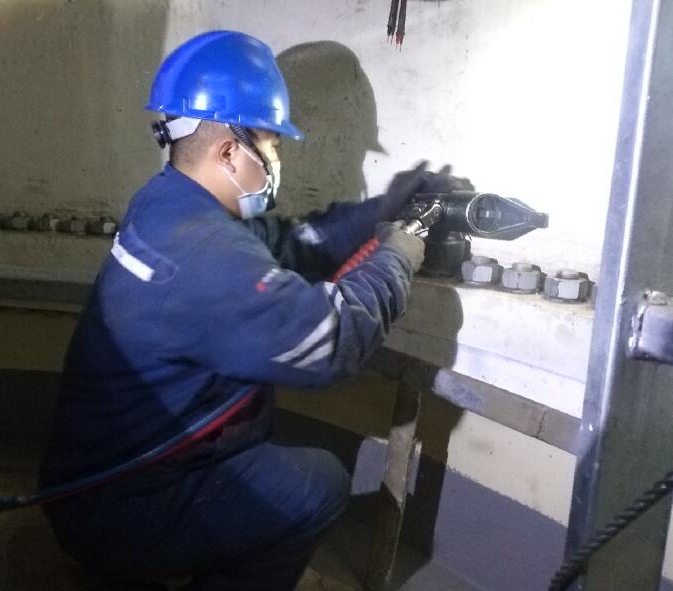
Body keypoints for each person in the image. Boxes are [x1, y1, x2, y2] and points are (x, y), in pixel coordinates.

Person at [40, 30, 440, 591]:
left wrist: (384, 208)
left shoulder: (169, 204)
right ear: (230, 151)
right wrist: (398, 256)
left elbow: (292, 242)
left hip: (99, 480)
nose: (276, 159)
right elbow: (333, 340)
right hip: (120, 505)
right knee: (317, 484)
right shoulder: (203, 253)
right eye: (272, 143)